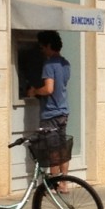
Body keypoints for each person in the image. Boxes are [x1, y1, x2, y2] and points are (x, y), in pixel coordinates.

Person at [26, 30, 71, 178]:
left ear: (49, 45)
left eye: (42, 47)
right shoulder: (65, 63)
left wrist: (35, 92)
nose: (41, 50)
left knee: (53, 150)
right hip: (63, 111)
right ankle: (64, 183)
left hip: (50, 113)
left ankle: (53, 183)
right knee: (63, 148)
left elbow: (49, 89)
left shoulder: (49, 64)